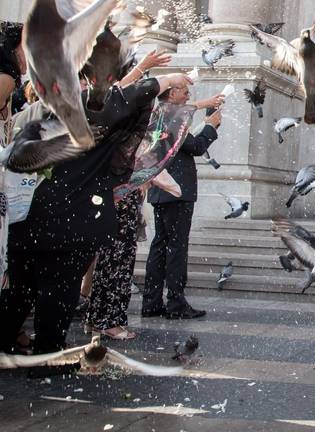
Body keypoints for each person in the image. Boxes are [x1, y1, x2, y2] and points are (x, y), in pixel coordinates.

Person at [0, 72, 191, 356]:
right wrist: (168, 79)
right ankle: (47, 356)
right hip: (69, 220)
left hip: (27, 220)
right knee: (58, 292)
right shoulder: (88, 116)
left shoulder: (35, 118)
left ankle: (5, 342)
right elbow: (128, 99)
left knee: (20, 290)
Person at [85, 49, 171, 340]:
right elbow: (117, 96)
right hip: (119, 195)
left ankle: (99, 318)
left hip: (118, 193)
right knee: (117, 258)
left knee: (112, 258)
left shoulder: (119, 127)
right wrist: (146, 69)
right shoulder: (120, 128)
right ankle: (109, 320)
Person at [142, 83, 224, 320]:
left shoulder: (159, 116)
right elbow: (196, 147)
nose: (188, 94)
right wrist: (211, 127)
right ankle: (176, 303)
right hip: (177, 192)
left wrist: (206, 106)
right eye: (182, 90)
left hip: (161, 192)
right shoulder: (172, 117)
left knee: (160, 245)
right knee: (176, 247)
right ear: (170, 94)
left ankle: (151, 301)